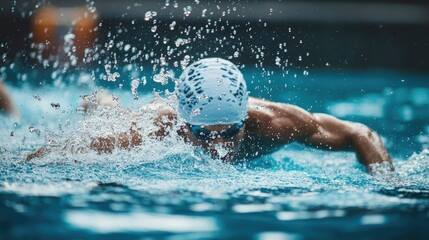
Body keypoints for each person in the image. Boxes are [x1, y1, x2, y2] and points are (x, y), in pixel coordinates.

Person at [27, 58, 394, 173]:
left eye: (229, 131)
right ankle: (101, 100)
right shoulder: (157, 127)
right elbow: (50, 154)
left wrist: (386, 186)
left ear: (244, 119)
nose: (217, 145)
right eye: (203, 134)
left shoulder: (277, 122)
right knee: (111, 114)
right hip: (143, 117)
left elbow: (361, 133)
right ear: (185, 123)